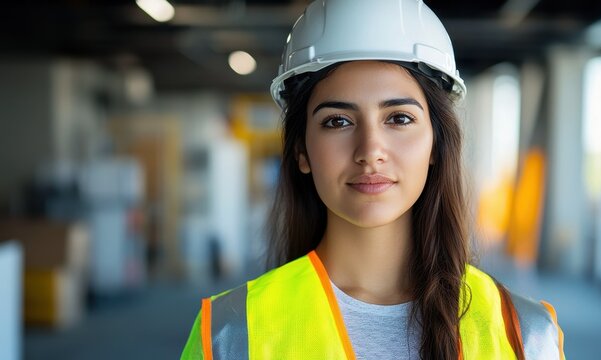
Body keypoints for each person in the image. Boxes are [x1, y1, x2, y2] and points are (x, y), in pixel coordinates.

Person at [181, 0, 565, 359]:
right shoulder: (230, 333)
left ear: (436, 145)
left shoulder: (524, 334)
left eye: (399, 118)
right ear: (302, 152)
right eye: (338, 121)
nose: (370, 150)